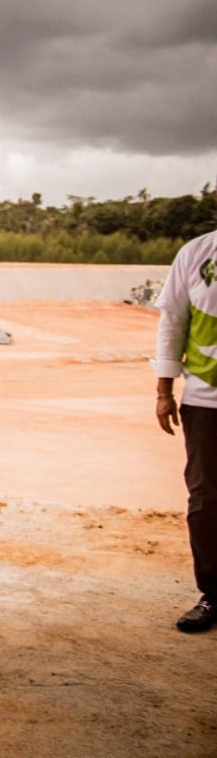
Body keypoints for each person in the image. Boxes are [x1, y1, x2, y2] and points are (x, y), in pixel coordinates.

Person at [153, 226, 217, 633]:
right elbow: (173, 322)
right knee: (206, 499)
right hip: (205, 400)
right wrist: (164, 388)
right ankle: (212, 592)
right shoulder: (197, 253)